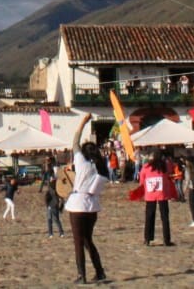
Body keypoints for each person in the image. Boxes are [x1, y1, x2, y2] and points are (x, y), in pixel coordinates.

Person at [64, 112, 107, 283]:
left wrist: (83, 121)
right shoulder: (100, 167)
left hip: (78, 205)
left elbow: (75, 141)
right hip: (92, 206)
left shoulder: (81, 162)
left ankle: (82, 275)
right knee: (88, 240)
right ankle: (100, 271)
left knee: (78, 242)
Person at [140, 152, 175, 247]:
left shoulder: (146, 167)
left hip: (150, 194)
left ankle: (147, 238)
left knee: (149, 217)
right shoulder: (164, 166)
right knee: (165, 217)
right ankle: (166, 239)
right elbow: (170, 172)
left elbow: (142, 180)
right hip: (162, 194)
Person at [41, 169, 65, 237]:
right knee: (55, 220)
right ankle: (59, 233)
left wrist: (47, 205)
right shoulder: (58, 190)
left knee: (51, 220)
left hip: (52, 206)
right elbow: (62, 200)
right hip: (55, 206)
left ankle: (52, 233)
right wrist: (61, 208)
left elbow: (46, 198)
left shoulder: (51, 189)